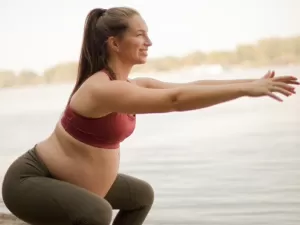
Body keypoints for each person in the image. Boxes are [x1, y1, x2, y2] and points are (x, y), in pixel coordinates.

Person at [1, 6, 299, 225]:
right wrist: (247, 90)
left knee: (140, 195)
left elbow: (189, 87)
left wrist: (249, 83)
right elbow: (175, 100)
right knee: (97, 212)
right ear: (115, 43)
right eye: (140, 34)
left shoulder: (129, 85)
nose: (149, 42)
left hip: (71, 181)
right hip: (31, 181)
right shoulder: (100, 89)